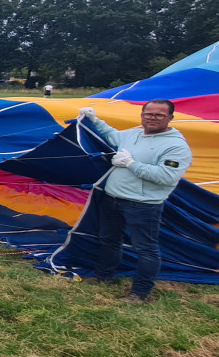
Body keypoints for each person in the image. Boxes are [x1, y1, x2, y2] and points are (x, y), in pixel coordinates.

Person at [79, 100, 192, 303]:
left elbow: (166, 176)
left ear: (170, 118)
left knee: (146, 249)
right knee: (109, 240)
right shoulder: (134, 133)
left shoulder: (176, 146)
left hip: (143, 205)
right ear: (142, 115)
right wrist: (94, 120)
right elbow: (112, 135)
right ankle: (104, 276)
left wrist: (131, 164)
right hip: (112, 198)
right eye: (148, 113)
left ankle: (140, 293)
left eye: (159, 115)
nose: (152, 118)